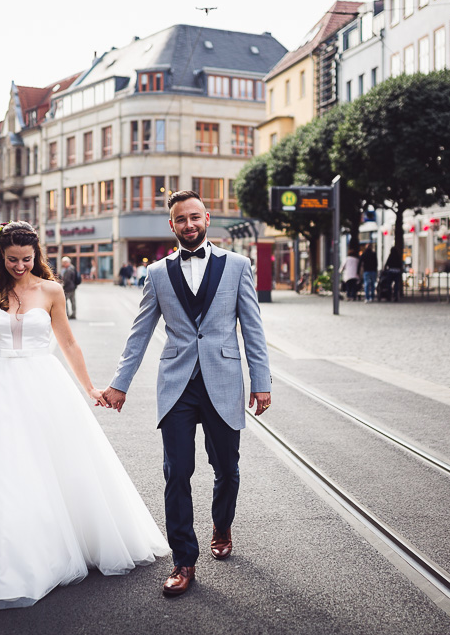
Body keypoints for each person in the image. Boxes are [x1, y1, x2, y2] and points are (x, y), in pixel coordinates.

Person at [0, 221, 169, 610]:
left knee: (57, 464)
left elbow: (68, 342)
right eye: (12, 260)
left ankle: (64, 545)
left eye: (26, 259)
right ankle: (6, 555)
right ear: (1, 256)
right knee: (2, 470)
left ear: (36, 255)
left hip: (46, 385)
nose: (20, 266)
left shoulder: (52, 290)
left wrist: (89, 386)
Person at [101, 190, 272, 597]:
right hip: (177, 384)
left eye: (195, 217)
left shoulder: (237, 266)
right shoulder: (158, 273)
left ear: (207, 218)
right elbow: (139, 332)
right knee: (176, 473)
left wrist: (261, 381)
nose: (189, 225)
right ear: (172, 225)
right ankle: (184, 560)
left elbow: (253, 328)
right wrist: (119, 384)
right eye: (182, 219)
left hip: (224, 380)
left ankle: (222, 523)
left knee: (226, 469)